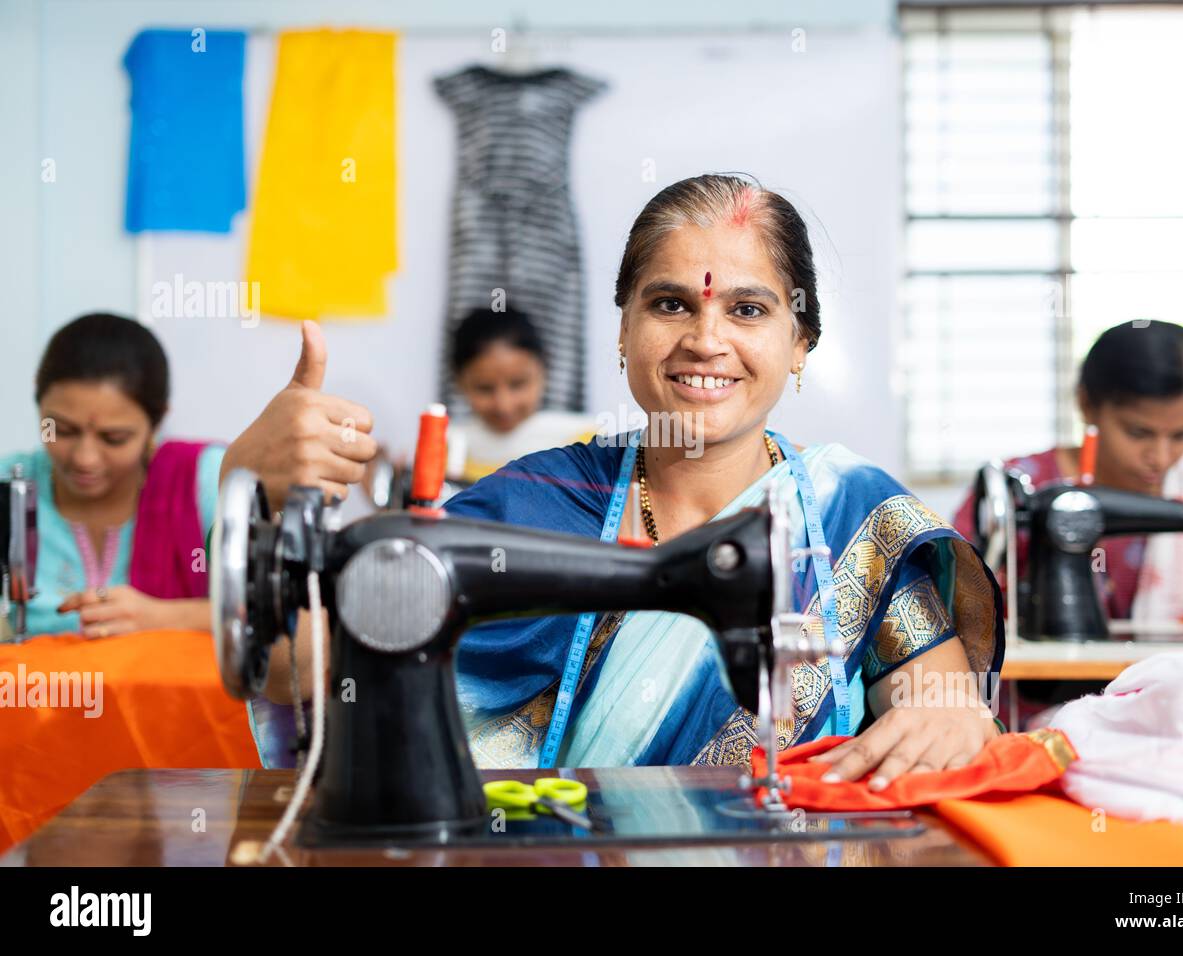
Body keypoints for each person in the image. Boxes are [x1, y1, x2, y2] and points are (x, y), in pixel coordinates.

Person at [222, 174, 1006, 783]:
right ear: (624, 328)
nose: (706, 339)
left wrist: (958, 717)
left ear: (801, 342)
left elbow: (934, 701)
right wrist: (249, 491)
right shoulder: (531, 503)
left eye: (747, 310)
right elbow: (302, 668)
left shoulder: (851, 515)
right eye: (670, 304)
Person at [953, 319, 1183, 634]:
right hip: (1044, 698)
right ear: (1086, 404)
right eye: (1139, 433)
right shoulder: (1018, 489)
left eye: (1180, 435)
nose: (1161, 458)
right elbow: (948, 602)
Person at [0, 313, 224, 639]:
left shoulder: (202, 482)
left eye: (114, 438)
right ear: (38, 401)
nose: (84, 458)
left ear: (157, 422)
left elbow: (281, 620)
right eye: (61, 430)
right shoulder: (10, 483)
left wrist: (164, 617)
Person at [444, 307, 596, 484]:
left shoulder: (588, 444)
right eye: (484, 388)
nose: (504, 405)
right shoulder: (443, 449)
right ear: (459, 381)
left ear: (544, 368)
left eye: (518, 384)